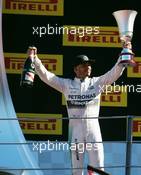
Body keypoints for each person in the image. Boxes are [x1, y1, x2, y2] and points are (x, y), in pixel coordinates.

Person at [31, 43, 130, 175]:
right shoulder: (66, 85)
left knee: (99, 169)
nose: (88, 67)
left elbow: (115, 73)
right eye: (84, 65)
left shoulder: (97, 82)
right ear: (76, 70)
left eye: (89, 64)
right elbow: (46, 76)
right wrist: (35, 59)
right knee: (76, 171)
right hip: (75, 134)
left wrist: (123, 55)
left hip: (94, 132)